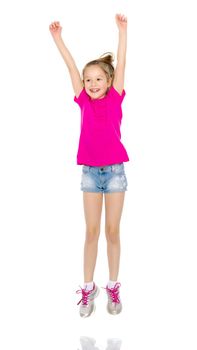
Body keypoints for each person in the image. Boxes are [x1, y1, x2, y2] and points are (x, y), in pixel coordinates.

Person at [49, 14, 129, 317]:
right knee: (91, 231)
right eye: (88, 79)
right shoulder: (83, 100)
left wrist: (122, 32)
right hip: (91, 174)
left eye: (98, 79)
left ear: (109, 82)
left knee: (112, 231)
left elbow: (121, 63)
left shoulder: (116, 99)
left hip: (116, 173)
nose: (92, 84)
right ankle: (87, 288)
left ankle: (113, 285)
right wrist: (58, 40)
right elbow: (71, 67)